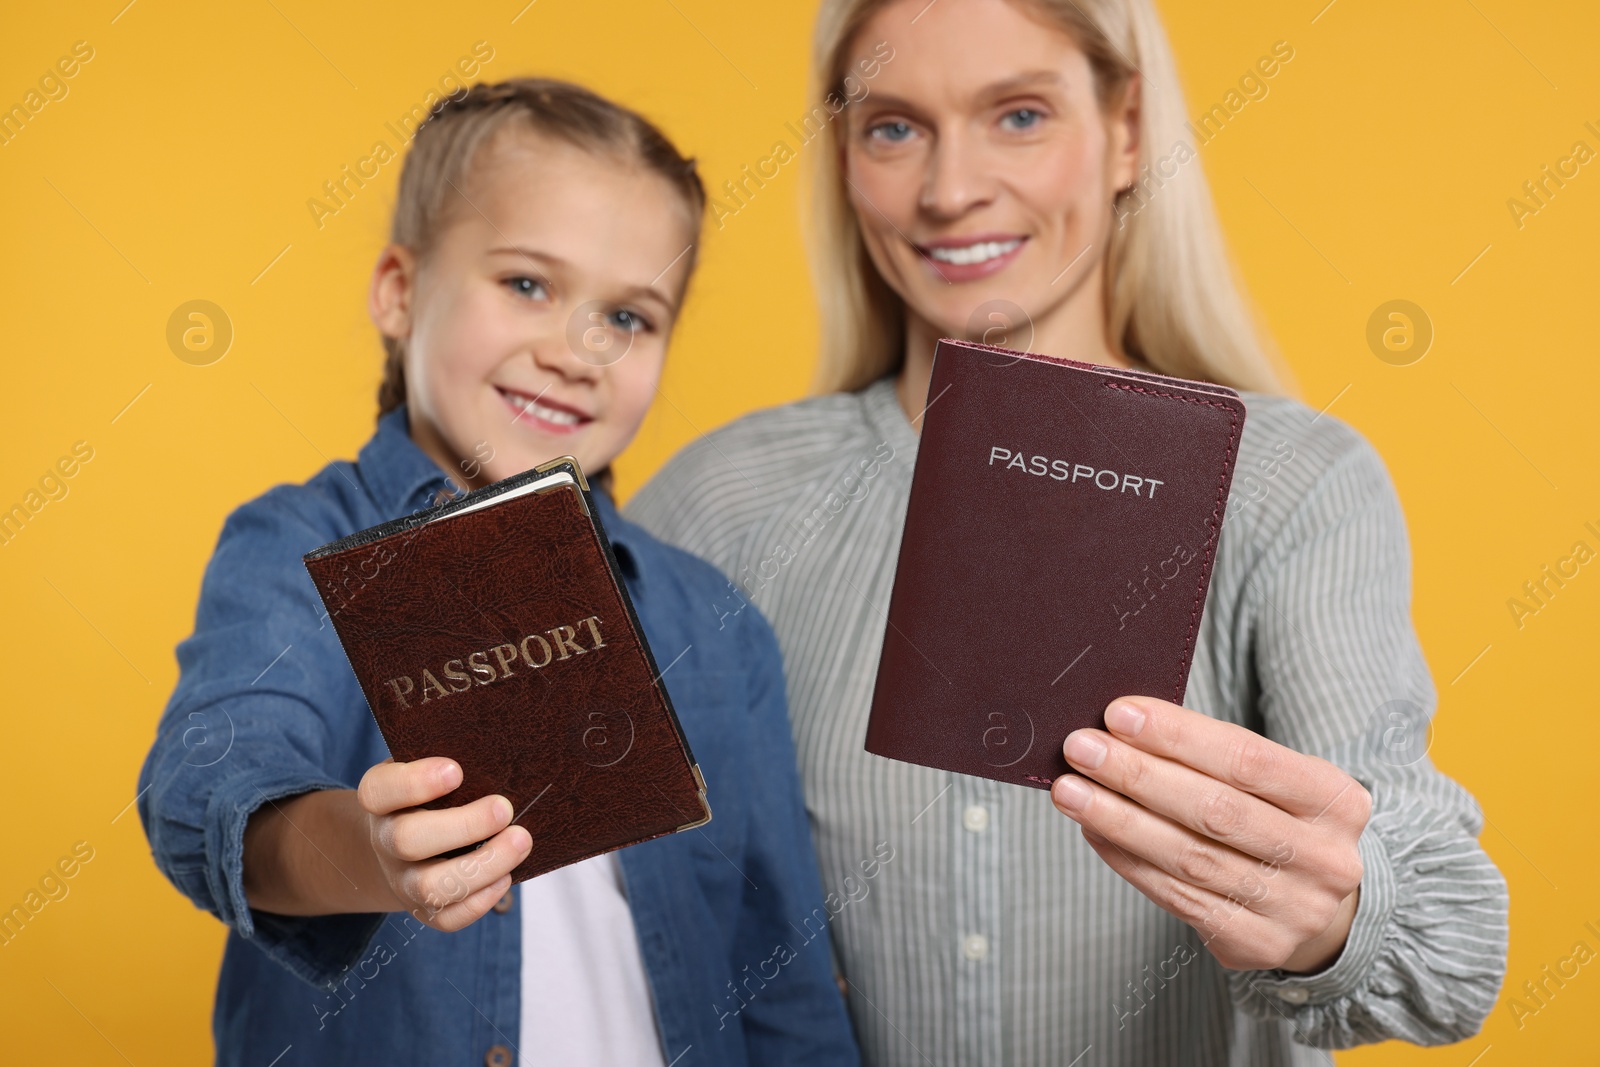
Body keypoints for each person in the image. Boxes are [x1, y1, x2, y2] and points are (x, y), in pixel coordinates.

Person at [625, 1, 1509, 1063]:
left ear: (1128, 130)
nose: (949, 190)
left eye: (1020, 115)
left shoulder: (1292, 488)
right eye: (892, 127)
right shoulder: (719, 503)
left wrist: (1336, 914)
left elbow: (1451, 951)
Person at [136, 78, 858, 1067]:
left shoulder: (719, 624)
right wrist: (376, 853)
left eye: (629, 318)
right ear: (399, 289)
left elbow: (782, 975)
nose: (575, 351)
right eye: (527, 284)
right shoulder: (294, 545)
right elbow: (206, 793)